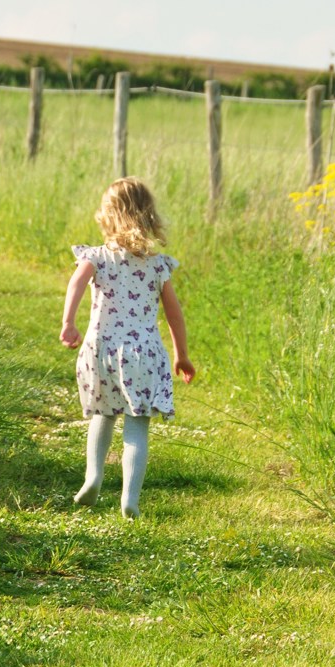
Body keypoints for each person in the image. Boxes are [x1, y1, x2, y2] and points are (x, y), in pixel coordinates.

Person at [59, 177, 195, 519]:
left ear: (107, 216)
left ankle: (93, 478)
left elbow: (76, 284)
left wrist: (69, 323)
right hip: (143, 355)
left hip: (101, 350)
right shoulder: (157, 265)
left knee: (103, 416)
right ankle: (129, 499)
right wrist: (181, 355)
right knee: (137, 425)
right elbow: (174, 315)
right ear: (149, 215)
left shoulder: (96, 257)